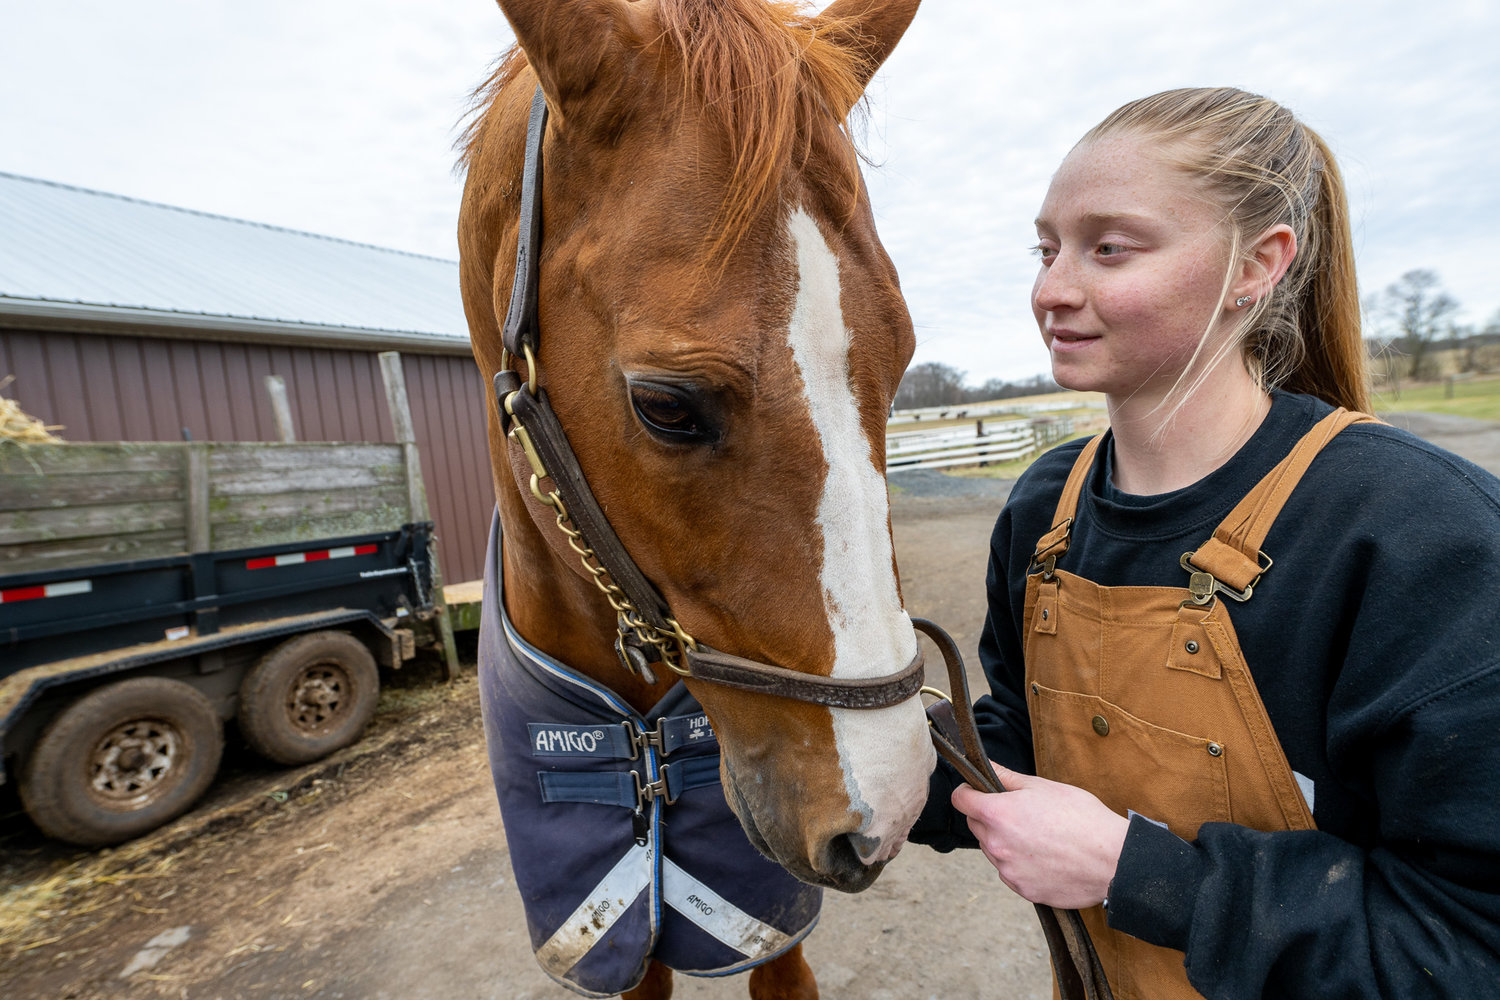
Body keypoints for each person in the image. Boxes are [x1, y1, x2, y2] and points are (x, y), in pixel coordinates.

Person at [910, 86, 1500, 998]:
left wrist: (1137, 874)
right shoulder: (1045, 508)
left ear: (1254, 267)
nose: (1051, 290)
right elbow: (1021, 740)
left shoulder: (1423, 538)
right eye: (1047, 246)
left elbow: (1469, 948)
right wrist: (849, 742)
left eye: (1109, 248)